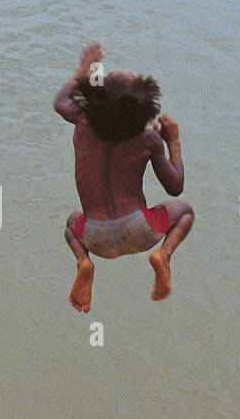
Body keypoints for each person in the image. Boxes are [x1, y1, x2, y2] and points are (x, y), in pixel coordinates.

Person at [54, 42, 194, 311]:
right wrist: (172, 143)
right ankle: (163, 256)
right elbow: (175, 187)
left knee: (72, 223)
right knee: (185, 211)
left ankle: (83, 262)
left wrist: (83, 71)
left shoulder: (82, 120)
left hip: (94, 238)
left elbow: (61, 103)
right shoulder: (148, 139)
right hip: (142, 230)